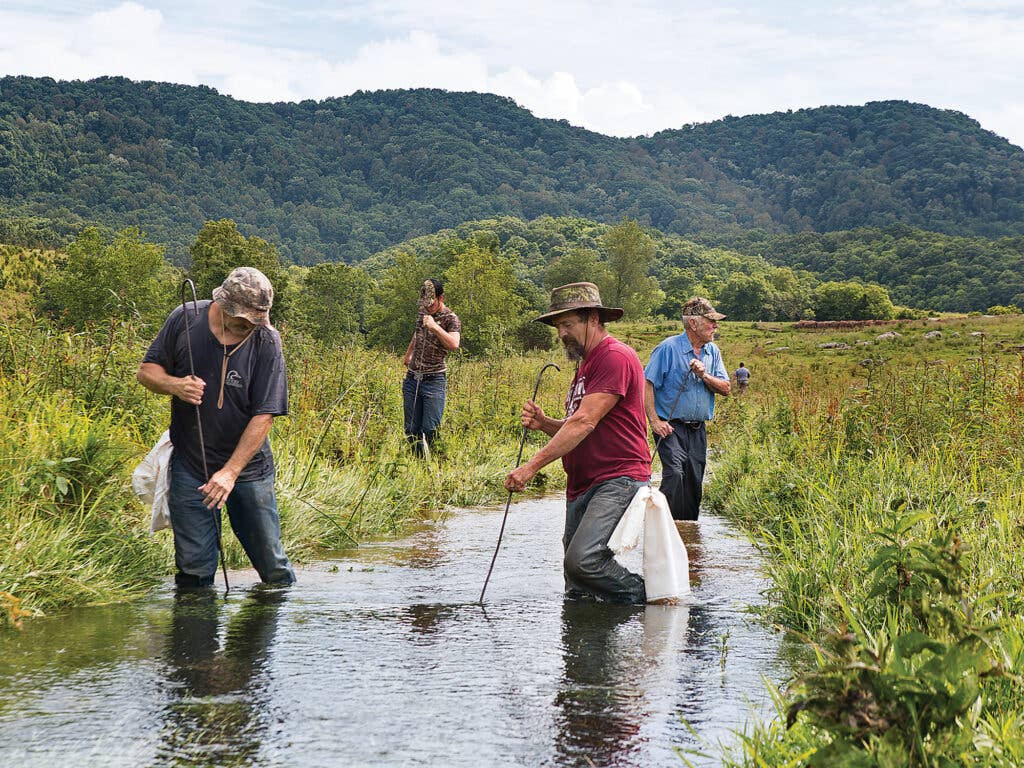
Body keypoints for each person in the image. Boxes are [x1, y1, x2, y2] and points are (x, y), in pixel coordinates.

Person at [137, 267, 295, 588]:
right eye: (240, 323)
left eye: (254, 323)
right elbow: (146, 371)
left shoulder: (267, 340)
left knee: (274, 568)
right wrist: (175, 385)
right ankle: (194, 634)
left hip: (249, 471)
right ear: (222, 305)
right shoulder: (184, 319)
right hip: (190, 465)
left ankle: (262, 633)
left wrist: (230, 473)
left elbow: (264, 415)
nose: (247, 329)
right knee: (194, 571)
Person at [505, 282, 650, 604]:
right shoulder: (586, 364)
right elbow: (583, 425)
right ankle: (589, 647)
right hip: (583, 482)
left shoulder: (614, 357)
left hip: (617, 477)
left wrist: (530, 468)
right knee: (578, 586)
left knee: (583, 561)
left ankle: (655, 600)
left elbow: (584, 422)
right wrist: (545, 424)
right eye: (558, 326)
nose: (562, 334)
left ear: (594, 320)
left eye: (568, 324)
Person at [644, 296, 731, 521]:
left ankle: (688, 532)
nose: (715, 326)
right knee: (674, 473)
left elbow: (725, 388)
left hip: (698, 428)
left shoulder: (714, 352)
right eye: (710, 321)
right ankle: (662, 525)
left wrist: (704, 375)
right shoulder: (667, 348)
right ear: (693, 323)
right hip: (670, 426)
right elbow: (648, 384)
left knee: (694, 480)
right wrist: (655, 421)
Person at [402, 278, 461, 455]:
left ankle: (438, 466)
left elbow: (453, 344)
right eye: (424, 304)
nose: (427, 307)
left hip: (434, 380)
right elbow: (417, 333)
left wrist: (435, 327)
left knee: (430, 429)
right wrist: (409, 354)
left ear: (441, 298)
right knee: (412, 429)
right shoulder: (422, 312)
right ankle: (418, 465)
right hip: (413, 378)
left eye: (431, 303)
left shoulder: (451, 318)